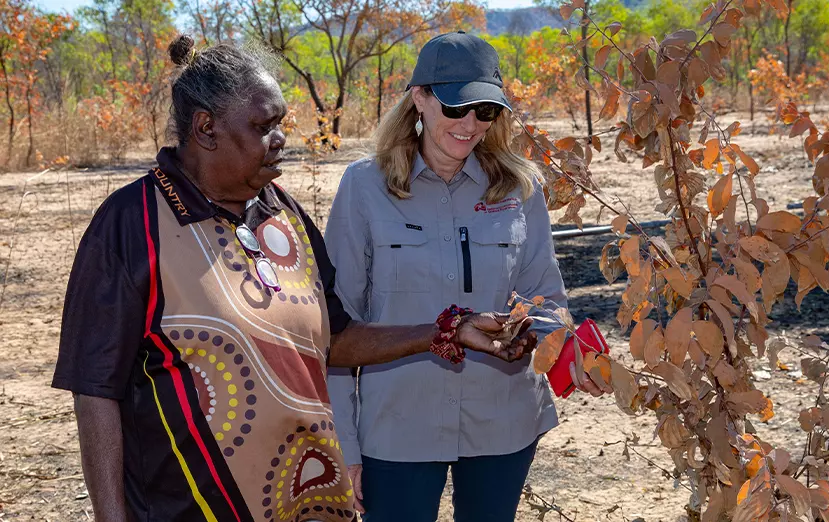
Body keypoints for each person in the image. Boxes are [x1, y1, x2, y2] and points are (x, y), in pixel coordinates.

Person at [51, 35, 536, 522]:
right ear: (205, 129)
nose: (281, 138)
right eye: (264, 126)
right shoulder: (131, 225)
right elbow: (95, 389)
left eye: (281, 123)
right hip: (188, 506)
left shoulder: (284, 214)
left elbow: (337, 338)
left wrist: (448, 331)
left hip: (302, 503)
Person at [325, 31, 611, 522]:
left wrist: (566, 346)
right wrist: (344, 445)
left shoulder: (519, 187)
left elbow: (545, 295)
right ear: (419, 98)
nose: (470, 124)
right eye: (456, 108)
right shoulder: (363, 187)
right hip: (397, 424)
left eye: (485, 111)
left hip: (501, 417)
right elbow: (335, 331)